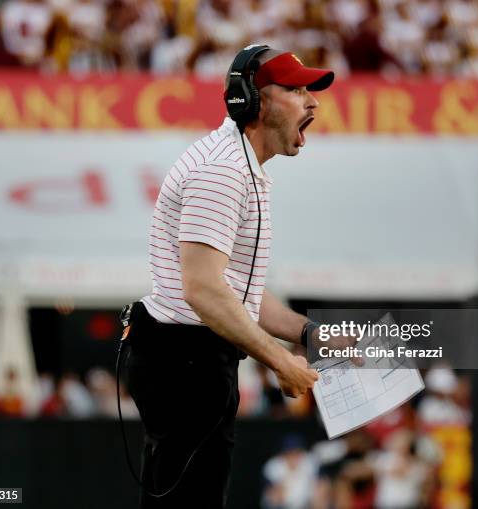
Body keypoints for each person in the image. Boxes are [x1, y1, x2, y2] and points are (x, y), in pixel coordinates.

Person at [123, 44, 334, 508]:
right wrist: (280, 361)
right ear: (252, 100)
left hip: (189, 358)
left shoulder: (239, 165)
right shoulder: (223, 170)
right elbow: (204, 291)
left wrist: (309, 334)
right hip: (185, 359)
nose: (313, 101)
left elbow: (240, 294)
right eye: (297, 90)